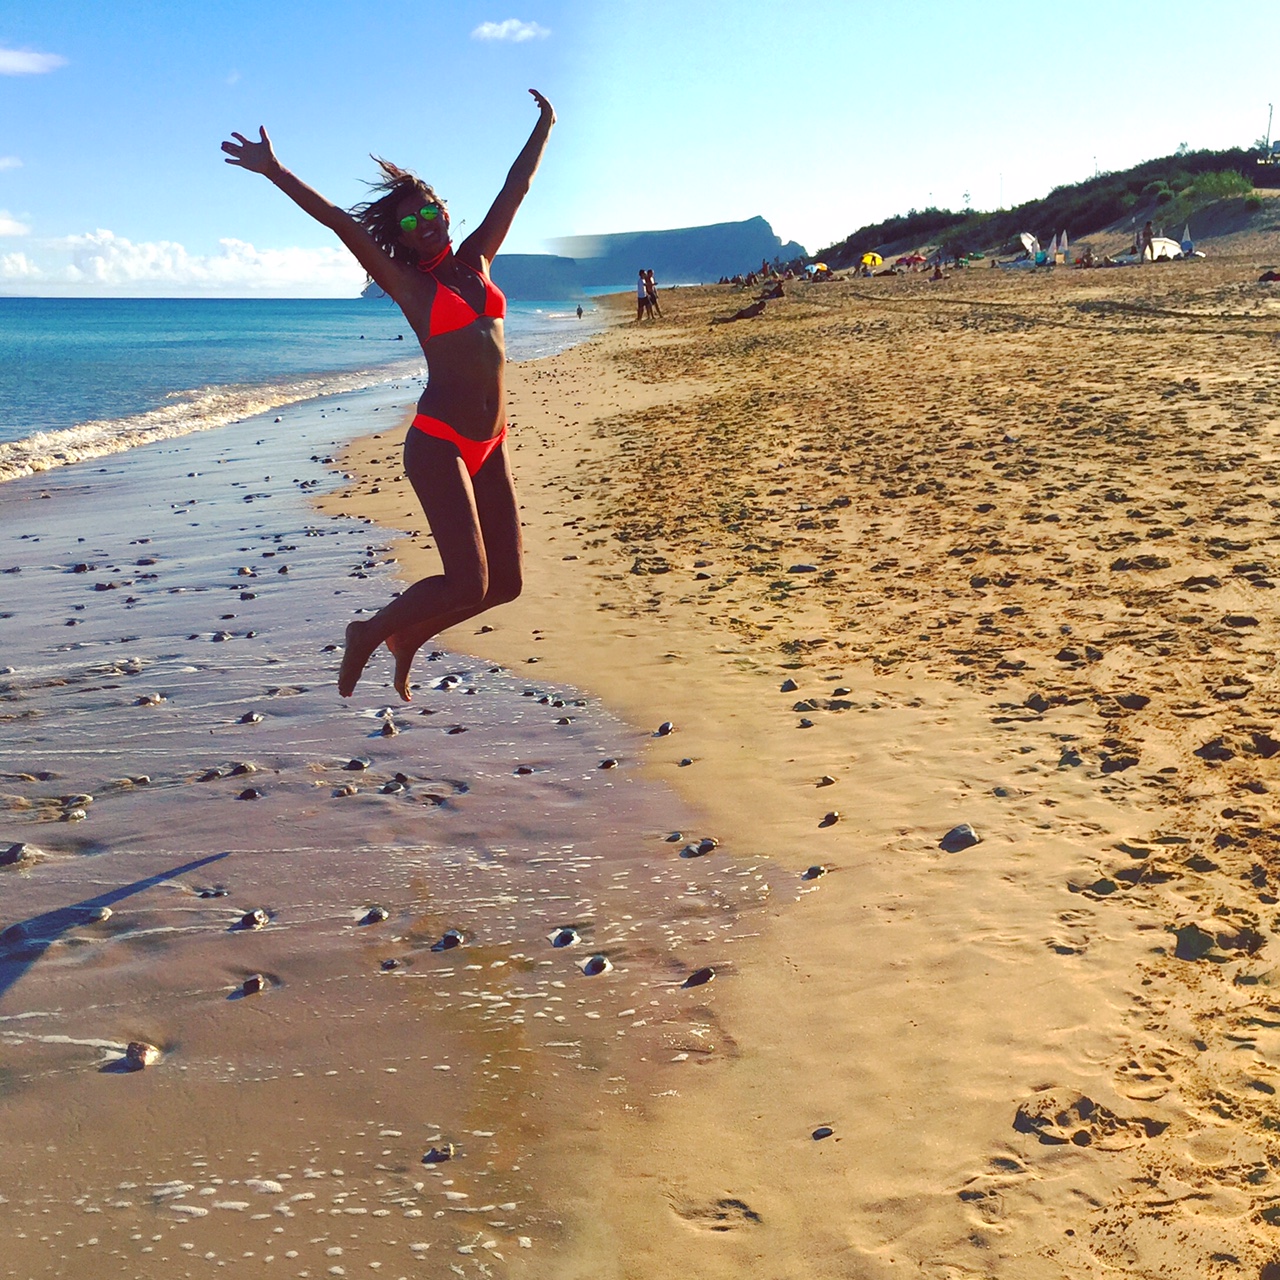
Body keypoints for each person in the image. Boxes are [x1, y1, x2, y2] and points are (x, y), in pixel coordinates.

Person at [222, 89, 555, 700]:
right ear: (402, 237)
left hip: (492, 441)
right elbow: (340, 221)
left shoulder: (478, 261)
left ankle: (409, 638)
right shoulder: (406, 283)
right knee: (467, 583)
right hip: (439, 442)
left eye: (427, 210)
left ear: (442, 209)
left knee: (505, 585)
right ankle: (368, 633)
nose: (422, 224)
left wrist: (546, 124)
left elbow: (517, 187)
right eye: (408, 222)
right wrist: (275, 170)